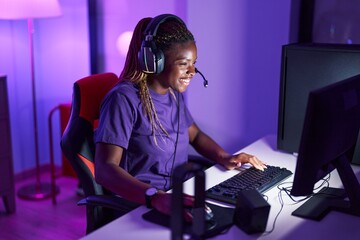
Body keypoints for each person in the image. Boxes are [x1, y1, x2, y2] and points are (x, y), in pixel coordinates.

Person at [94, 14, 266, 220]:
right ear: (154, 61)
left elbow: (194, 135)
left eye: (194, 63)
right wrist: (155, 197)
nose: (192, 71)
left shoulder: (173, 94)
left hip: (177, 194)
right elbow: (105, 170)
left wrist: (224, 157)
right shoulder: (123, 99)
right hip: (142, 205)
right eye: (184, 63)